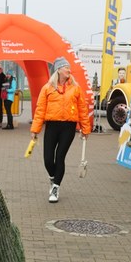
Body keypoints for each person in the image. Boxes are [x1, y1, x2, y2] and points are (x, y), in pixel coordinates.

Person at [30, 57, 90, 203]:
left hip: (68, 128)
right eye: (66, 68)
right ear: (58, 70)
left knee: (60, 157)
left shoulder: (75, 88)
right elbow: (40, 110)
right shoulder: (47, 88)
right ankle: (53, 178)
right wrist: (35, 130)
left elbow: (82, 109)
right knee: (48, 160)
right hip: (52, 126)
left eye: (69, 68)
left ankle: (56, 187)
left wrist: (85, 129)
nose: (69, 70)